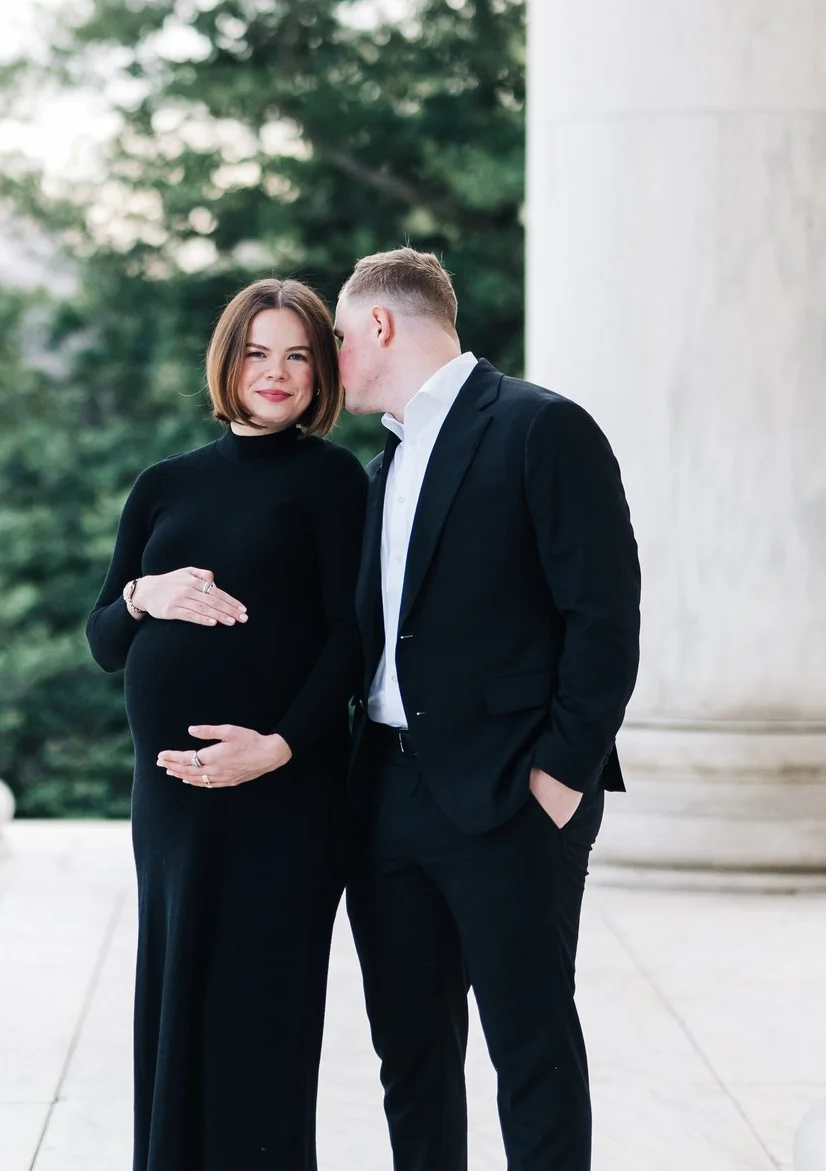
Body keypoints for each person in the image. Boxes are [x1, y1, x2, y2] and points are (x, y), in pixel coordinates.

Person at [332, 248, 640, 1171]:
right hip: (385, 796)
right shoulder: (384, 462)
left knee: (532, 1051)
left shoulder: (541, 427)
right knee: (411, 1058)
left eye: (339, 337)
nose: (331, 356)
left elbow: (606, 614)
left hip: (512, 798)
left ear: (381, 325)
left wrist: (558, 776)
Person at [89, 278, 369, 1171]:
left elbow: (352, 641)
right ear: (228, 360)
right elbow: (102, 639)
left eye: (296, 354)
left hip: (287, 798)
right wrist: (145, 592)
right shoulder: (163, 484)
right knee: (175, 1004)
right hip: (171, 810)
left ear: (319, 369)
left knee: (262, 1014)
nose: (276, 372)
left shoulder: (332, 480)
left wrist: (277, 747)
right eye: (257, 351)